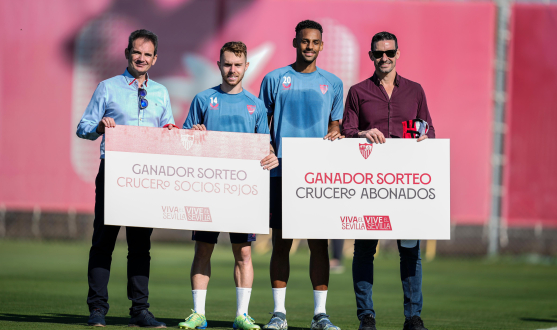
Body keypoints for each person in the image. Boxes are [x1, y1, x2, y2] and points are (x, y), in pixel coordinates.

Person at [76, 29, 175, 328]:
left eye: (147, 54)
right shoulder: (107, 87)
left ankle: (140, 311)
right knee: (103, 242)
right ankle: (97, 309)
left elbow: (168, 128)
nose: (141, 58)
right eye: (137, 52)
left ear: (155, 59)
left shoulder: (161, 92)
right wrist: (101, 127)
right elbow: (83, 127)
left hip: (147, 176)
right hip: (114, 172)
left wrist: (171, 131)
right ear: (127, 53)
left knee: (140, 246)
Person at [178, 41, 278, 330]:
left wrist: (270, 157)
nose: (232, 69)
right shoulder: (202, 100)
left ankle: (242, 315)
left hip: (242, 194)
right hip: (209, 190)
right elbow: (184, 142)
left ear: (246, 67)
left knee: (244, 253)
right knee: (202, 250)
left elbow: (265, 147)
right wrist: (193, 134)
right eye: (227, 64)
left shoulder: (256, 105)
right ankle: (198, 313)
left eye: (237, 64)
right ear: (219, 65)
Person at [342, 31, 435, 330]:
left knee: (410, 250)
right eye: (378, 53)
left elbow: (428, 130)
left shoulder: (415, 90)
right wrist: (361, 133)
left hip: (405, 184)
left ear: (397, 53)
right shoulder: (357, 91)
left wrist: (423, 135)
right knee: (365, 249)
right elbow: (347, 130)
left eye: (389, 52)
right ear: (370, 56)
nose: (384, 58)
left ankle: (413, 317)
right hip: (369, 185)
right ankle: (366, 316)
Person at [258, 20, 344, 330]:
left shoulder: (333, 83)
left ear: (322, 46)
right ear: (295, 43)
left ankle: (320, 315)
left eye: (315, 42)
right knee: (281, 242)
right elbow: (261, 123)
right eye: (304, 41)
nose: (309, 46)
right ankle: (278, 314)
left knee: (319, 244)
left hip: (317, 176)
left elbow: (336, 124)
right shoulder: (274, 79)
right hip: (281, 172)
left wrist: (335, 132)